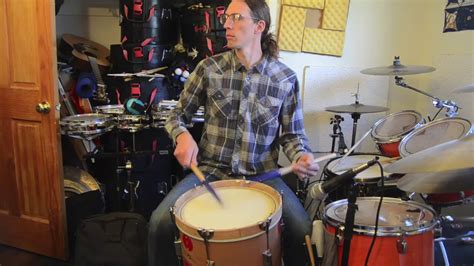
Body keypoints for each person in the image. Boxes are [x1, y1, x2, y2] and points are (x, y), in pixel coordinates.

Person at [148, 0, 319, 265]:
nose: (225, 24)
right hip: (210, 172)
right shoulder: (208, 69)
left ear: (258, 26)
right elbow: (177, 115)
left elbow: (292, 135)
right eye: (227, 17)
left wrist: (301, 156)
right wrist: (182, 135)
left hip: (263, 176)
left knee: (301, 230)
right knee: (159, 223)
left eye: (236, 17)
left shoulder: (285, 79)